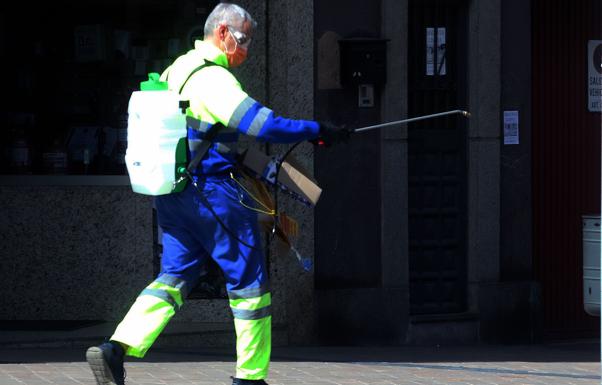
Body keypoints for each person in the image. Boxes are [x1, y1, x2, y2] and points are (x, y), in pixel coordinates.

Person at [85, 3, 349, 385]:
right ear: (222, 33)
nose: (246, 49)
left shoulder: (178, 68)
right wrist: (315, 128)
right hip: (213, 196)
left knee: (173, 277)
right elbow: (261, 124)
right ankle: (251, 377)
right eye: (242, 40)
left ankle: (116, 348)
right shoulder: (215, 80)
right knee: (250, 285)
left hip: (174, 193)